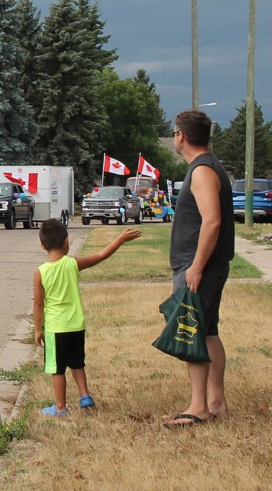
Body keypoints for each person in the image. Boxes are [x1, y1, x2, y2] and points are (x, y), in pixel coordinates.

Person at [163, 109, 235, 427]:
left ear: (181, 135)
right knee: (207, 333)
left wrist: (195, 267)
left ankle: (199, 407)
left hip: (200, 267)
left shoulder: (202, 170)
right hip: (205, 266)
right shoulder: (206, 166)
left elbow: (213, 220)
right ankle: (216, 401)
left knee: (191, 332)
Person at [34, 219, 141, 416]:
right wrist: (120, 239)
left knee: (57, 369)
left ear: (42, 245)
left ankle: (60, 407)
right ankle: (85, 396)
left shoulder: (40, 272)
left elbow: (39, 304)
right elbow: (101, 256)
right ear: (67, 241)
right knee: (77, 362)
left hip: (55, 329)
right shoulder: (73, 264)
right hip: (76, 326)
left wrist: (38, 329)